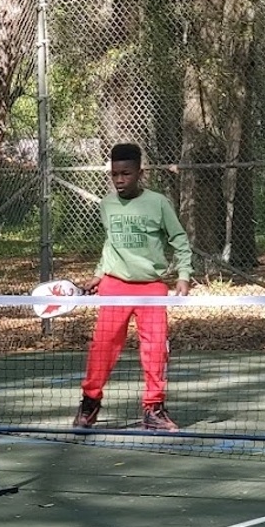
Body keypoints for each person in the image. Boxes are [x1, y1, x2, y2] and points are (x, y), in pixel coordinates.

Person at [73, 142, 192, 431]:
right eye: (114, 174)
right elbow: (110, 244)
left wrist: (184, 275)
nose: (119, 180)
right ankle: (89, 405)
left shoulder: (159, 203)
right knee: (102, 347)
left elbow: (179, 240)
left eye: (125, 174)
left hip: (151, 288)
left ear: (140, 172)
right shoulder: (107, 204)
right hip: (114, 287)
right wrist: (100, 274)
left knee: (155, 351)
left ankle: (153, 409)